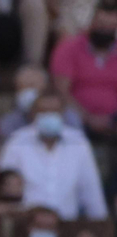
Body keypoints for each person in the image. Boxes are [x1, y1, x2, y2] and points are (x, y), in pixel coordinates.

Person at [0, 92, 108, 220]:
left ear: (63, 113)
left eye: (54, 111)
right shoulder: (17, 142)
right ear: (33, 114)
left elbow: (91, 192)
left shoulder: (78, 143)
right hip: (27, 225)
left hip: (66, 226)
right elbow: (3, 188)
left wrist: (100, 226)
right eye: (44, 111)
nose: (49, 115)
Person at [50, 2, 117, 139]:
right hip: (76, 114)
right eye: (101, 26)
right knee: (68, 118)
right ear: (90, 23)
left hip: (113, 116)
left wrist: (108, 118)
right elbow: (62, 91)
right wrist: (87, 117)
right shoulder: (68, 49)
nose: (105, 31)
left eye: (110, 27)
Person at [0, 64, 83, 135]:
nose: (28, 91)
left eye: (32, 86)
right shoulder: (9, 123)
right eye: (22, 87)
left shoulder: (69, 119)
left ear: (46, 88)